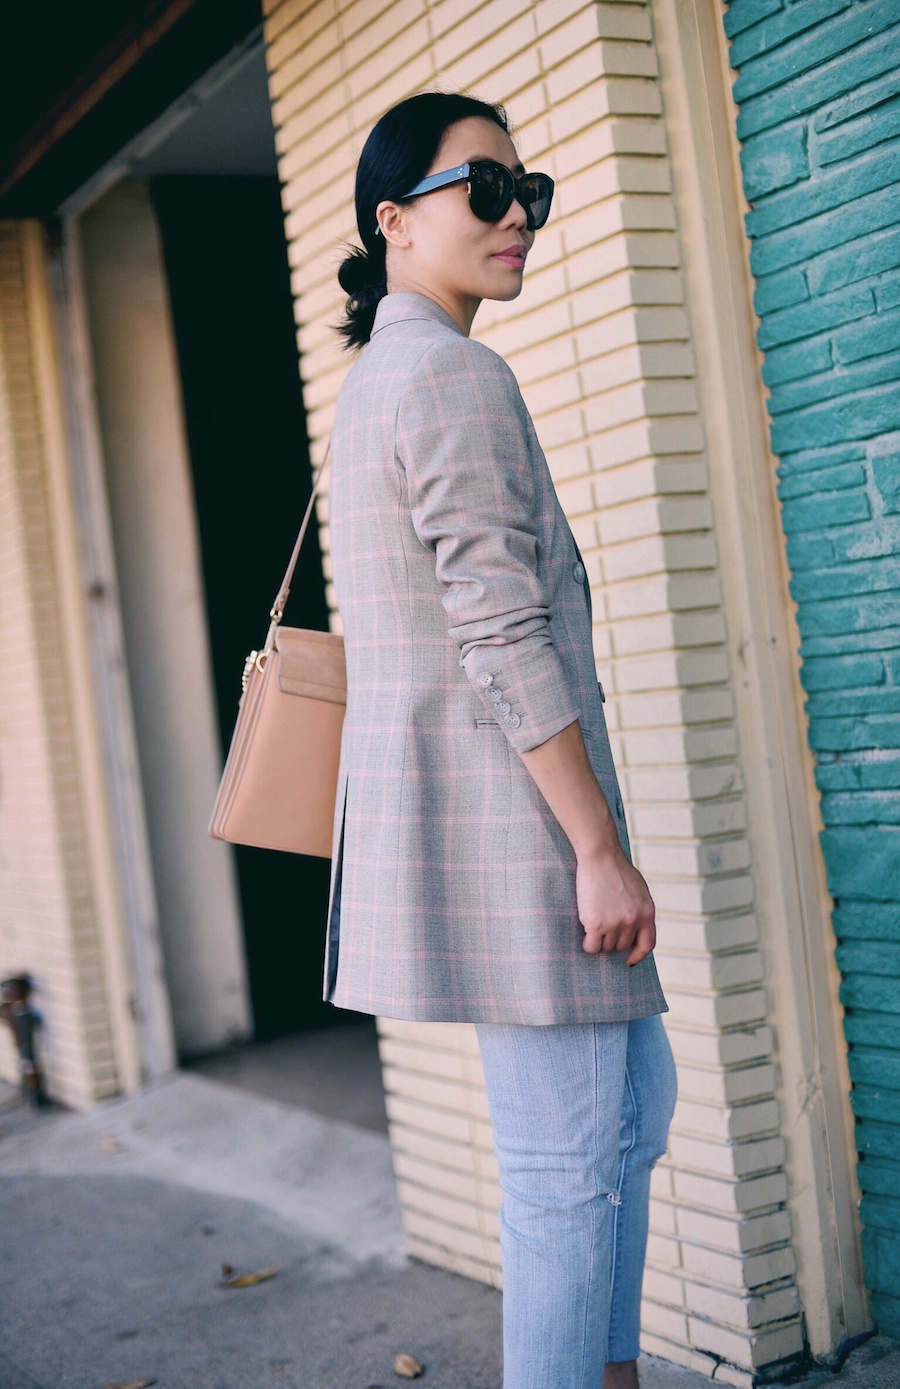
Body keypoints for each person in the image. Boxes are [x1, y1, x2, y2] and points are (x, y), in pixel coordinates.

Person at [324, 91, 677, 1389]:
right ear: (394, 219)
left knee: (627, 1114)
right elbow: (498, 631)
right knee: (567, 1172)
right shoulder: (454, 376)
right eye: (484, 189)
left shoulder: (381, 379)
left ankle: (613, 1367)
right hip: (525, 837)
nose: (517, 213)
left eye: (530, 190)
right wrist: (597, 845)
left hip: (482, 828)